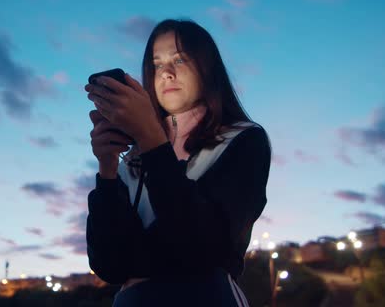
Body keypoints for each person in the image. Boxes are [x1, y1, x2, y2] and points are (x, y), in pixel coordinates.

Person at [84, 18, 271, 306]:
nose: (166, 73)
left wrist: (150, 137)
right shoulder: (132, 160)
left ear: (208, 68)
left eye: (179, 59)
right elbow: (109, 265)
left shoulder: (244, 140)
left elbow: (201, 248)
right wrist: (107, 170)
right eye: (157, 64)